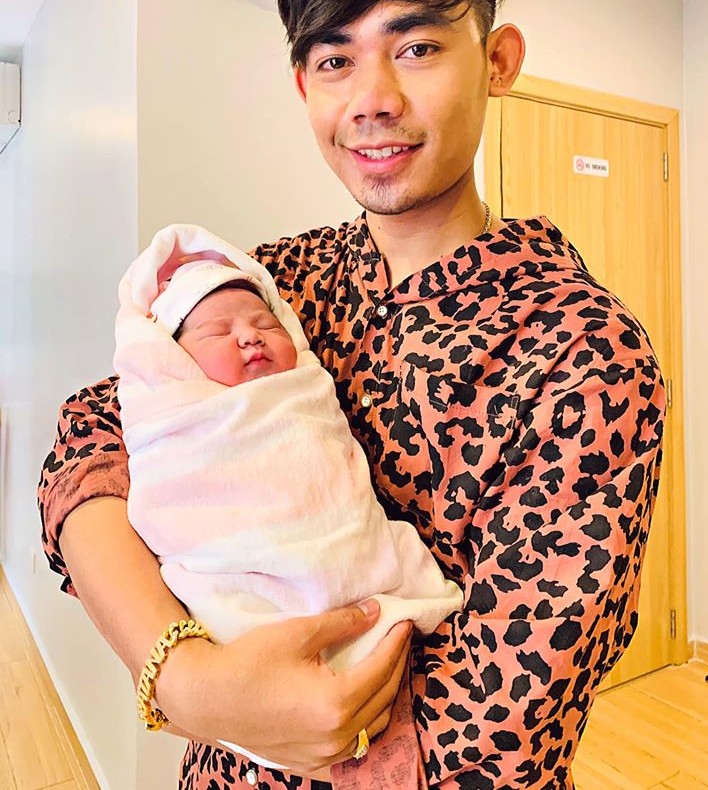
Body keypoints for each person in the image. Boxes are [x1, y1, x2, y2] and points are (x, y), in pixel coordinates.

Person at [38, 0, 666, 790]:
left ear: (498, 60)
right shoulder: (274, 285)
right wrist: (184, 677)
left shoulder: (583, 352)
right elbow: (88, 437)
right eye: (335, 60)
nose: (372, 97)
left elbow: (498, 734)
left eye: (417, 46)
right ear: (303, 84)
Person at [115, 222, 463, 774]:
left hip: (408, 686)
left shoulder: (299, 388)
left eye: (264, 324)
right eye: (217, 332)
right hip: (234, 703)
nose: (250, 337)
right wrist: (183, 681)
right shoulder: (179, 414)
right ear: (173, 362)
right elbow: (82, 439)